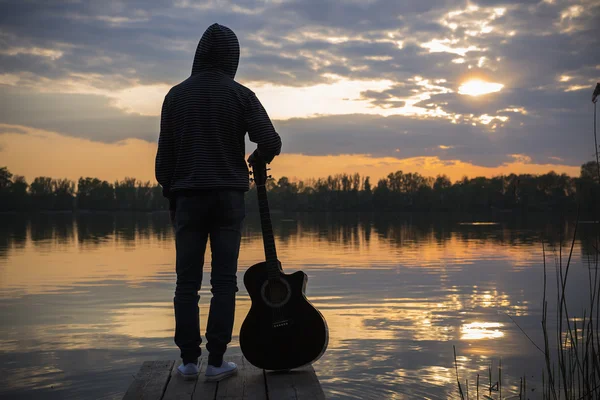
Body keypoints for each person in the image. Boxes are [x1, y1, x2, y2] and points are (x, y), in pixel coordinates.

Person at [155, 23, 282, 382]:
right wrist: (255, 160)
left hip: (188, 198)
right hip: (228, 198)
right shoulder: (241, 95)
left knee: (186, 283)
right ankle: (216, 363)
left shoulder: (175, 96)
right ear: (232, 57)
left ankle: (188, 362)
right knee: (224, 282)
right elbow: (271, 141)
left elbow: (163, 163)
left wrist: (173, 193)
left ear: (198, 54)